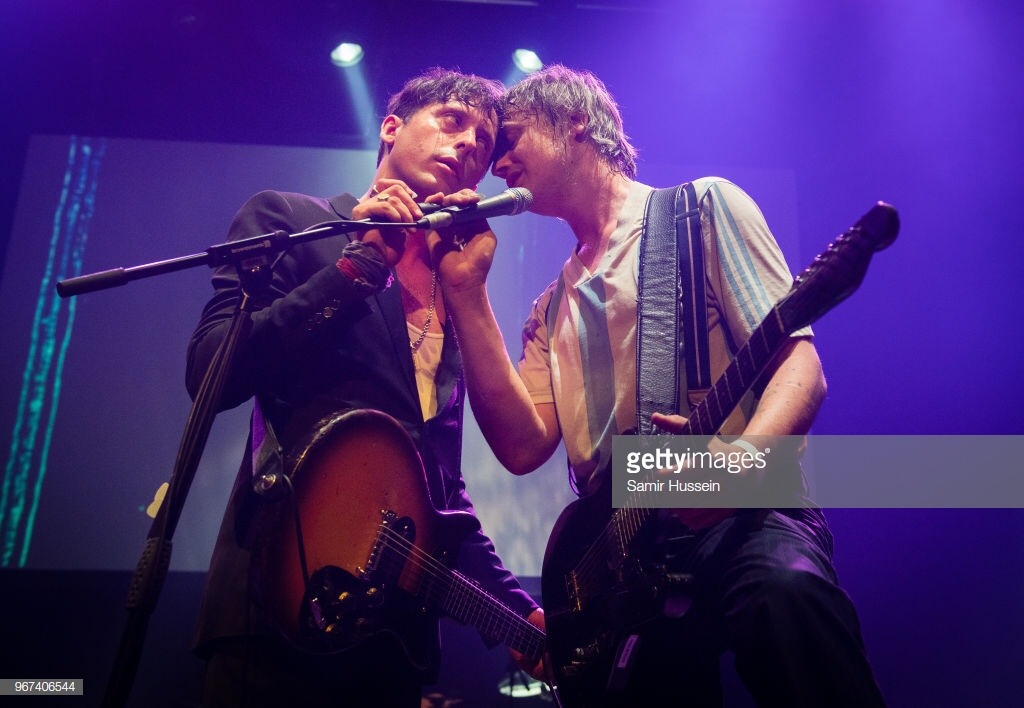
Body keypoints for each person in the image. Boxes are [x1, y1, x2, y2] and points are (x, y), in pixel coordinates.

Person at [434, 65, 885, 706]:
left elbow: (800, 368)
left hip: (743, 509)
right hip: (615, 553)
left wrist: (743, 466)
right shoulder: (550, 307)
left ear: (575, 122)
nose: (498, 164)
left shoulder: (704, 209)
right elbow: (521, 446)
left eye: (513, 139)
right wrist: (465, 292)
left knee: (786, 596)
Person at [187, 68, 543, 708]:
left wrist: (517, 612)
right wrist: (359, 265)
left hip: (387, 646)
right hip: (273, 607)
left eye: (484, 143)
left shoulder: (454, 287)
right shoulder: (291, 220)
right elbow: (211, 372)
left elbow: (437, 492)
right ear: (391, 127)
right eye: (452, 120)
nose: (469, 144)